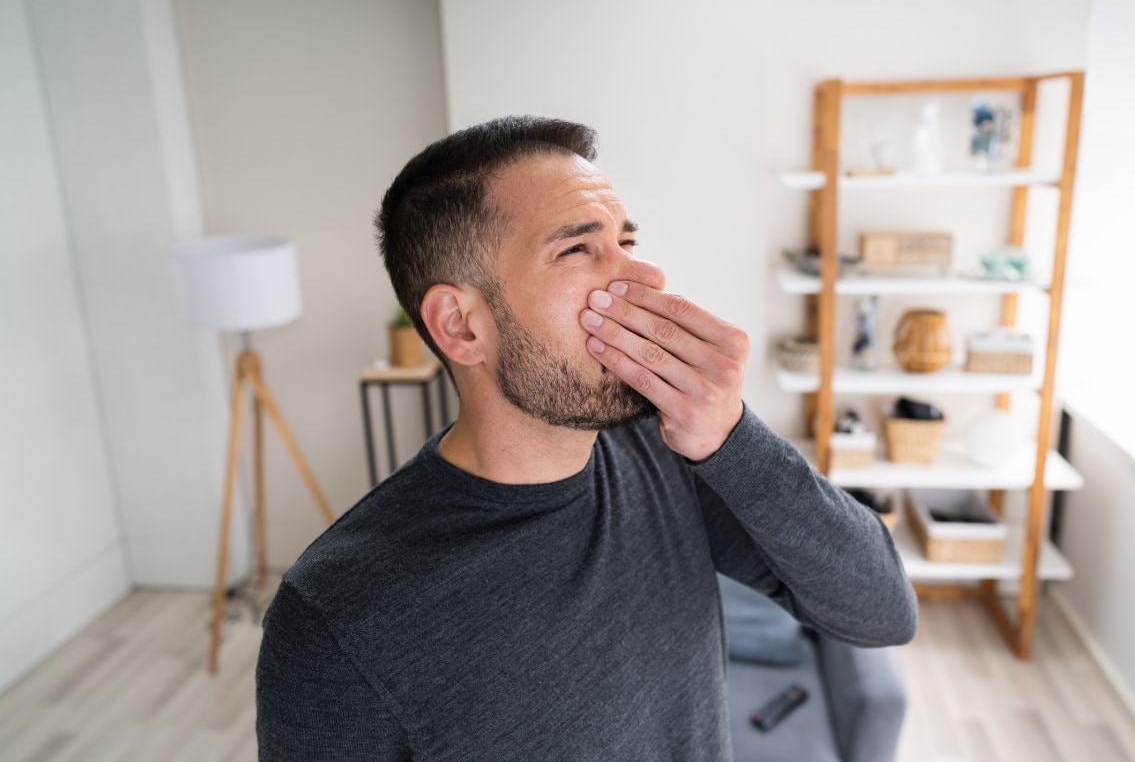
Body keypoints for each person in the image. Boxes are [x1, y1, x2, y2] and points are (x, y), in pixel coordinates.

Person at [255, 116, 917, 761]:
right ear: (460, 325)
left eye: (626, 242)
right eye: (578, 249)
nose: (643, 276)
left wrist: (732, 438)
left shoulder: (666, 454)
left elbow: (883, 611)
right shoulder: (335, 615)